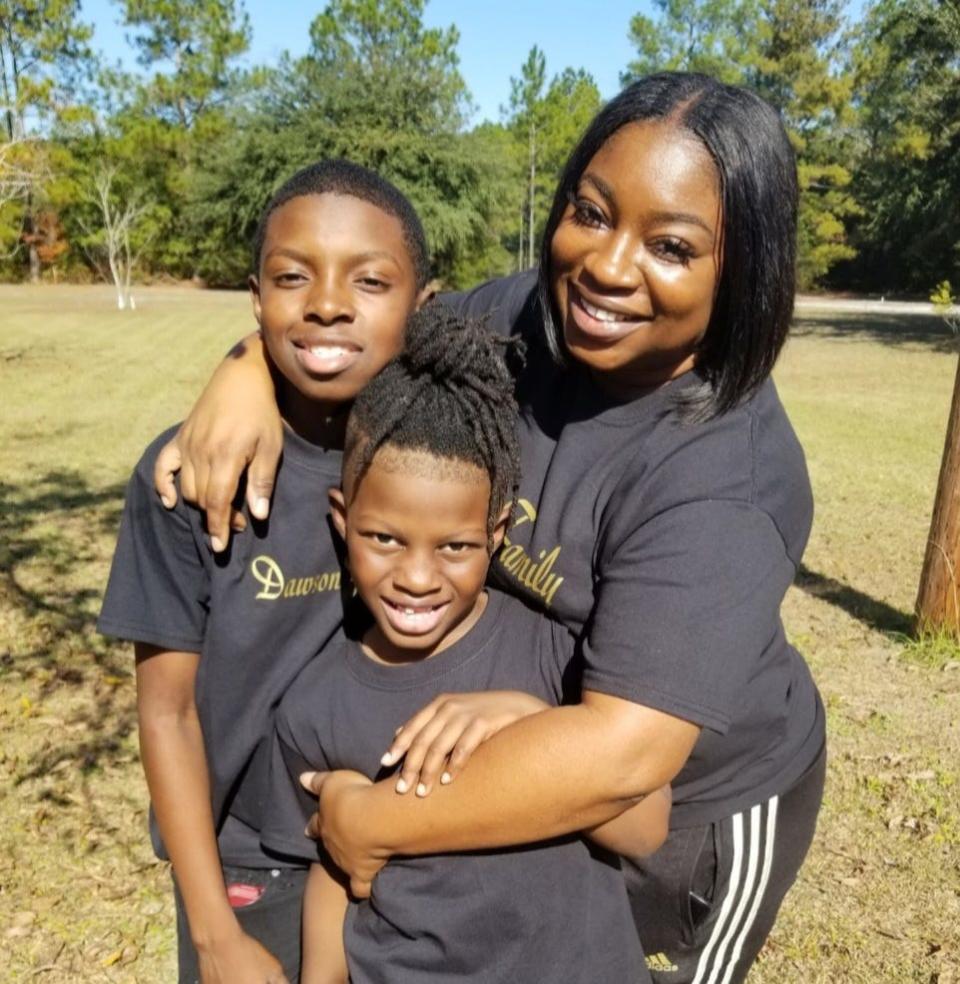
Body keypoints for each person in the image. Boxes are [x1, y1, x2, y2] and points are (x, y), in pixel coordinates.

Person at [154, 72, 826, 984]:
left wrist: (370, 821)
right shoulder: (525, 321)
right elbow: (361, 326)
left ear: (742, 271)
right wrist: (242, 375)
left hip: (688, 815)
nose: (609, 266)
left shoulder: (727, 479)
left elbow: (623, 759)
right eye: (592, 213)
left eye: (670, 245)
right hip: (519, 743)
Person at [97, 159, 435, 984]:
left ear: (423, 307)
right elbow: (168, 712)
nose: (325, 302)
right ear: (256, 299)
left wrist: (244, 357)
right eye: (292, 277)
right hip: (251, 868)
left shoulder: (433, 458)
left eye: (368, 280)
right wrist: (213, 935)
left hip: (410, 841)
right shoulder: (190, 477)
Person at [262, 306, 669, 984]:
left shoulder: (554, 656)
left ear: (498, 531)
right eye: (384, 538)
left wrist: (531, 719)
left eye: (454, 546)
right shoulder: (313, 706)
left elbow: (646, 827)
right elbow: (333, 871)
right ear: (343, 520)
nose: (416, 578)